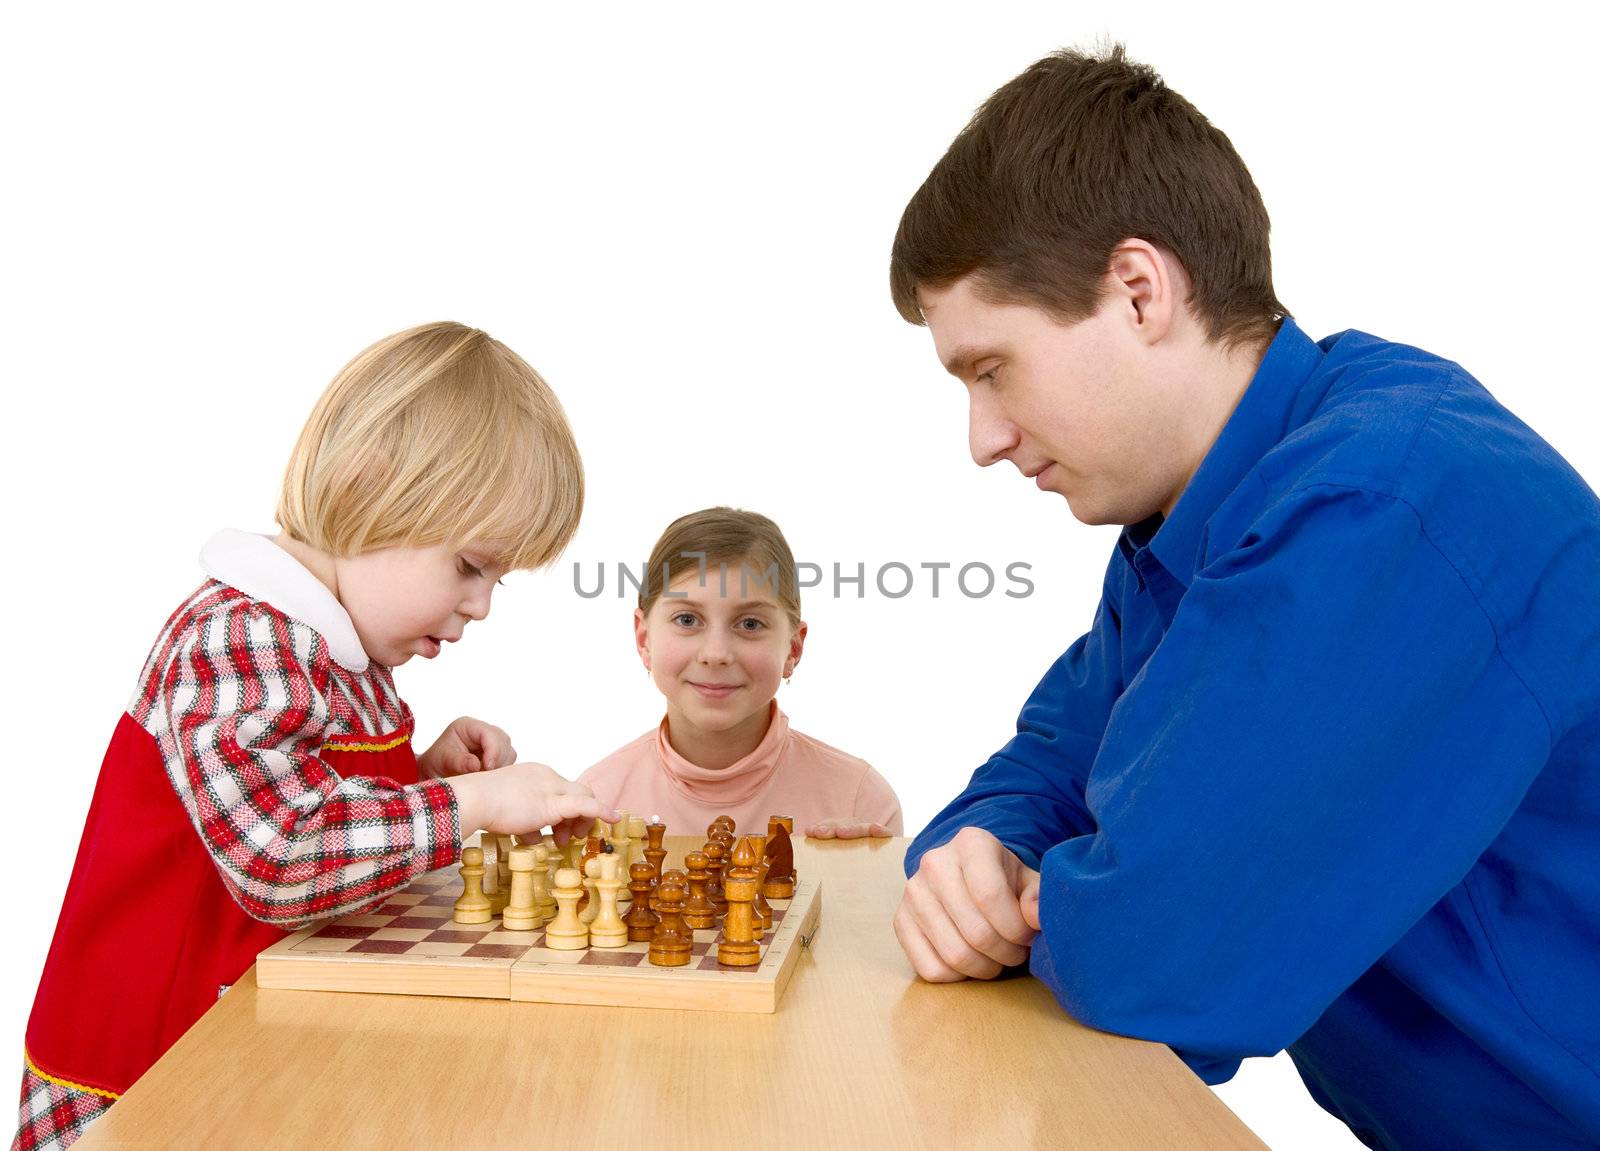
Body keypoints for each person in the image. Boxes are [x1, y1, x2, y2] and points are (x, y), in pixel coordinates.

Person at [888, 45, 1600, 1151]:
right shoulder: (1194, 517)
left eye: (991, 369)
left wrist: (1062, 894)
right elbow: (1046, 765)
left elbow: (1163, 954)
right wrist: (977, 850)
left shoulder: (1382, 501)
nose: (983, 438)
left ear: (1137, 289)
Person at [14, 322, 617, 1150]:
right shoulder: (240, 637)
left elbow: (322, 798)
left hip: (254, 1052)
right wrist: (463, 802)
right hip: (153, 1071)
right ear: (376, 493)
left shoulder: (342, 650)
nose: (481, 605)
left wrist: (421, 774)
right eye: (470, 566)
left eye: (496, 579)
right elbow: (284, 854)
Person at [580, 507, 902, 840]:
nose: (716, 654)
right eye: (687, 620)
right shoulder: (597, 804)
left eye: (750, 624)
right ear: (644, 638)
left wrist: (865, 878)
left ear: (793, 648)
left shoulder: (859, 800)